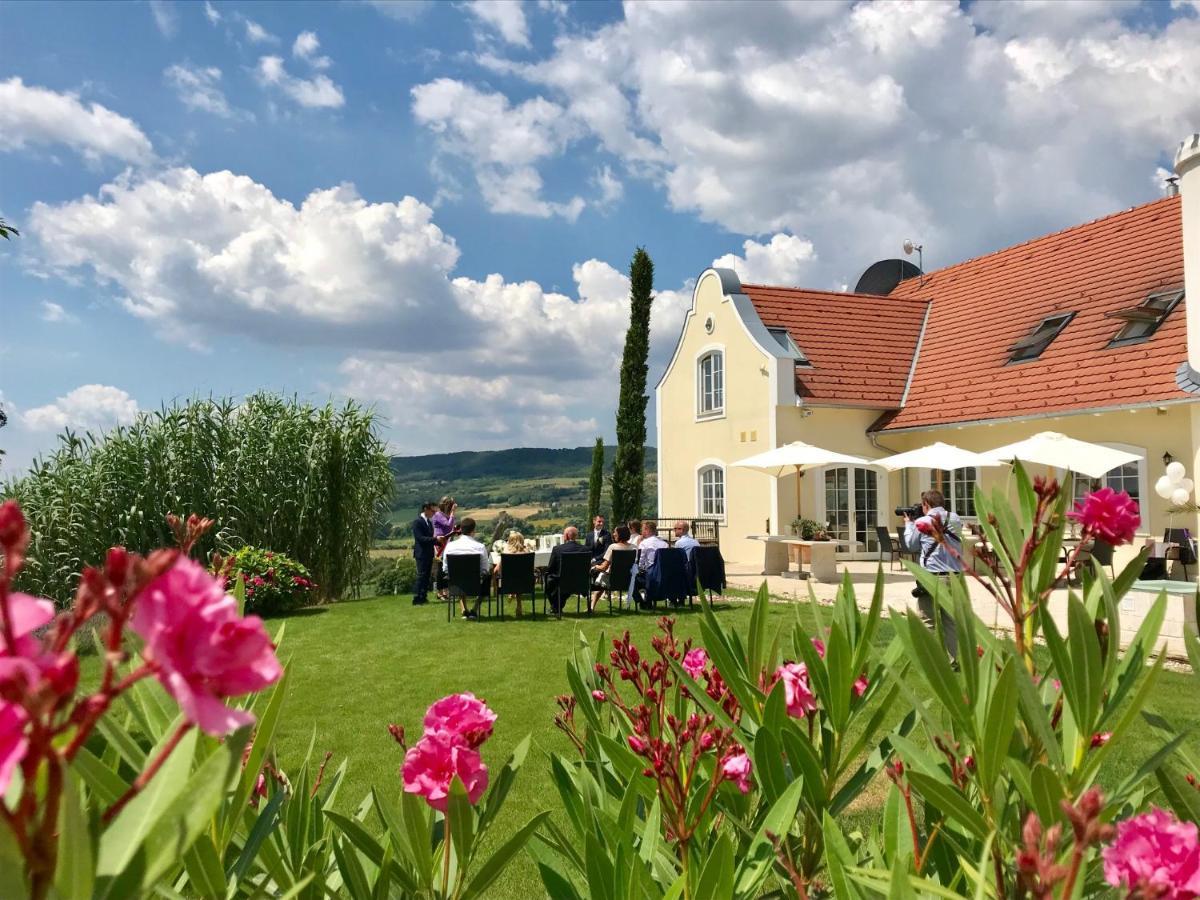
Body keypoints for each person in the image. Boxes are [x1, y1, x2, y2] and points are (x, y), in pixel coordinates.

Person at [903, 489, 963, 663]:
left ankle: (928, 661)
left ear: (926, 504)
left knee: (927, 620)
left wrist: (909, 524)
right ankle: (953, 661)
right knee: (950, 621)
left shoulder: (923, 521)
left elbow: (911, 545)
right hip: (954, 577)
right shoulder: (955, 518)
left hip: (931, 577)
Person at [442, 517, 491, 620]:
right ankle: (474, 609)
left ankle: (464, 609)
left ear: (460, 529)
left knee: (459, 575)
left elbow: (445, 568)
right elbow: (485, 569)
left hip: (456, 583)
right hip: (475, 583)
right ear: (473, 531)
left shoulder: (450, 546)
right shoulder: (480, 547)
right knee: (487, 577)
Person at [545, 526, 591, 613]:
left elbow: (550, 568)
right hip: (580, 583)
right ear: (576, 536)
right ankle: (556, 607)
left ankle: (555, 607)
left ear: (566, 536)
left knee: (549, 581)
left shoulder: (557, 549)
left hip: (562, 582)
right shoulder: (585, 549)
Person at [590, 524, 632, 611]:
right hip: (629, 579)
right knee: (603, 577)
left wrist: (595, 566)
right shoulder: (634, 548)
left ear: (620, 534)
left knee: (599, 579)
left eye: (615, 532)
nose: (613, 534)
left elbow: (604, 567)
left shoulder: (613, 547)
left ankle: (591, 607)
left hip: (612, 580)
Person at [630, 521, 669, 607]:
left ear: (647, 530)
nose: (641, 531)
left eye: (642, 529)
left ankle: (644, 601)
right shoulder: (665, 544)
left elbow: (640, 561)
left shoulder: (644, 543)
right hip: (663, 574)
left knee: (636, 579)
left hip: (649, 574)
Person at [497, 530, 532, 617]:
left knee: (512, 578)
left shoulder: (506, 553)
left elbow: (496, 570)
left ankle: (511, 593)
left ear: (510, 541)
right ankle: (518, 605)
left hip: (508, 583)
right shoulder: (527, 552)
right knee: (519, 578)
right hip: (525, 583)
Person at [411, 501, 437, 605]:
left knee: (426, 576)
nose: (434, 512)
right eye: (432, 510)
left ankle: (423, 596)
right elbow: (420, 538)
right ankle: (417, 597)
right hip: (421, 553)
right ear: (425, 509)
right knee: (421, 575)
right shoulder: (418, 522)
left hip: (429, 553)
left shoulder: (429, 523)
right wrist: (435, 539)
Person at [432, 497, 459, 598]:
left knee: (446, 567)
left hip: (447, 541)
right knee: (440, 568)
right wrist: (452, 512)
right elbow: (448, 525)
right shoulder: (438, 515)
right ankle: (440, 592)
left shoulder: (445, 515)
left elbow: (450, 528)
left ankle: (446, 590)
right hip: (440, 544)